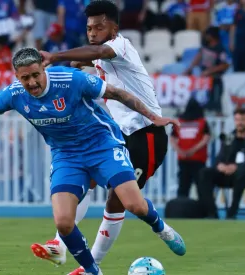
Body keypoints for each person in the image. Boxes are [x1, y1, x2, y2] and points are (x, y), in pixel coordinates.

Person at [0, 47, 186, 275]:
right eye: (25, 78)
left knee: (135, 205)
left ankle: (161, 228)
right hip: (66, 156)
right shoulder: (14, 94)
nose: (32, 82)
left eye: (36, 75)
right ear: (17, 77)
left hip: (102, 145)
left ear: (44, 68)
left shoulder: (70, 79)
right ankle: (93, 271)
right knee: (63, 223)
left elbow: (118, 94)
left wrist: (154, 117)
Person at [30, 1, 184, 274]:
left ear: (114, 28)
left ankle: (158, 229)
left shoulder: (121, 45)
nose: (92, 32)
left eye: (99, 27)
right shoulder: (101, 55)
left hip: (145, 133)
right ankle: (61, 245)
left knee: (120, 200)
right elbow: (90, 59)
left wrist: (56, 56)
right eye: (89, 28)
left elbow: (98, 52)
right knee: (84, 179)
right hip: (117, 134)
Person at [197, 108, 245, 219]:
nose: (240, 123)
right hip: (228, 175)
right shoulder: (229, 138)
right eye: (237, 120)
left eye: (242, 120)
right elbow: (220, 157)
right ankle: (212, 213)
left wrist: (237, 167)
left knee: (241, 173)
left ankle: (231, 213)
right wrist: (220, 165)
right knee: (204, 173)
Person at [170, 98, 211, 198]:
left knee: (183, 185)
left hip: (183, 158)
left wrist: (180, 151)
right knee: (201, 186)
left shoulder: (179, 121)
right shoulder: (202, 122)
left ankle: (180, 210)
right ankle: (204, 210)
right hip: (198, 158)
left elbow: (172, 138)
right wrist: (193, 150)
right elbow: (206, 138)